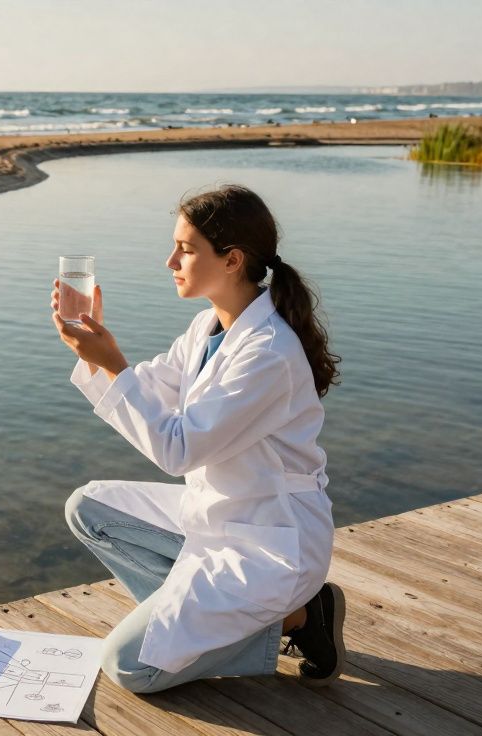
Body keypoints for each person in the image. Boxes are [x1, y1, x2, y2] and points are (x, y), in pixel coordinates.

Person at [50, 184, 344, 694]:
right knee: (87, 508)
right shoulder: (207, 326)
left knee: (128, 666)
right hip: (215, 515)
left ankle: (294, 617)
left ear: (232, 260)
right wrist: (98, 355)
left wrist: (112, 364)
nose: (170, 260)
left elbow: (178, 449)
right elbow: (149, 391)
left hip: (269, 543)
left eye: (185, 248)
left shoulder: (268, 352)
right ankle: (194, 622)